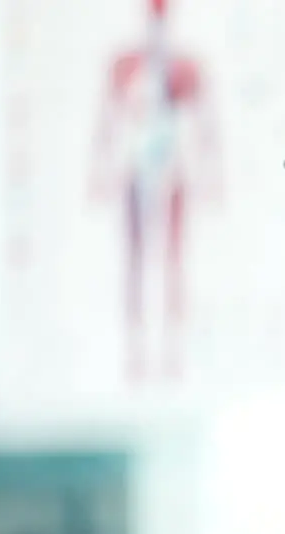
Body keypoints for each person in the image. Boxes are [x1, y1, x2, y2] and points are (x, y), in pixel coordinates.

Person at [90, 0, 219, 382]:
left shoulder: (185, 66)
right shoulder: (126, 64)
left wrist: (211, 175)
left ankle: (171, 350)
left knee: (172, 261)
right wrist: (101, 170)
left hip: (170, 166)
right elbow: (108, 120)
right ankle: (137, 349)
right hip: (138, 165)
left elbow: (205, 124)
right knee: (136, 260)